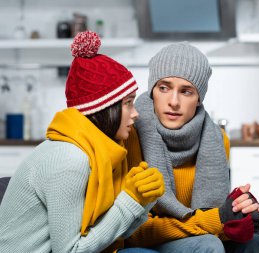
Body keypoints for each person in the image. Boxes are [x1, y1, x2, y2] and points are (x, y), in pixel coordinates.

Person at [0, 31, 164, 253]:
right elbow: (70, 251)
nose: (135, 114)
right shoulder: (69, 158)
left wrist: (144, 200)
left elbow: (111, 233)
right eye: (127, 103)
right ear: (105, 109)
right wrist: (130, 200)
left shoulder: (97, 150)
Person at [124, 42, 259, 253]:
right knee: (207, 245)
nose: (173, 102)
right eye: (164, 88)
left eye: (186, 92)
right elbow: (133, 231)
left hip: (198, 234)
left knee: (258, 244)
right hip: (151, 237)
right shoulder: (131, 133)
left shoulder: (217, 139)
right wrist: (217, 219)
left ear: (199, 98)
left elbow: (214, 217)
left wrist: (242, 217)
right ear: (152, 91)